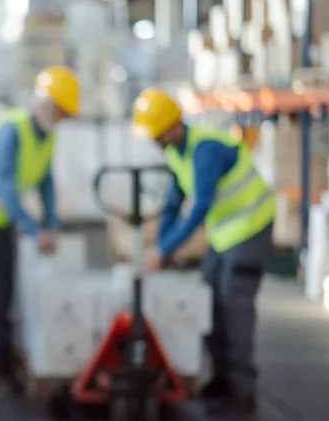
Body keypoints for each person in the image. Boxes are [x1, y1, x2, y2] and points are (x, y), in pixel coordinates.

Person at [131, 88, 274, 417]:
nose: (153, 141)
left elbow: (199, 207)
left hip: (250, 227)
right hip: (225, 234)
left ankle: (242, 392)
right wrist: (160, 244)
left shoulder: (205, 148)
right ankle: (221, 380)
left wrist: (164, 250)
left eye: (155, 134)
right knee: (208, 302)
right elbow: (174, 201)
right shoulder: (174, 151)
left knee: (234, 310)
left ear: (171, 126)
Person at [0, 66, 81, 396]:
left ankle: (7, 360)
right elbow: (7, 187)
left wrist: (50, 221)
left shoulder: (45, 135)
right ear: (48, 105)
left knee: (7, 291)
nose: (63, 120)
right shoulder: (10, 131)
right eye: (62, 112)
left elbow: (45, 180)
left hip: (3, 221)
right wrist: (33, 229)